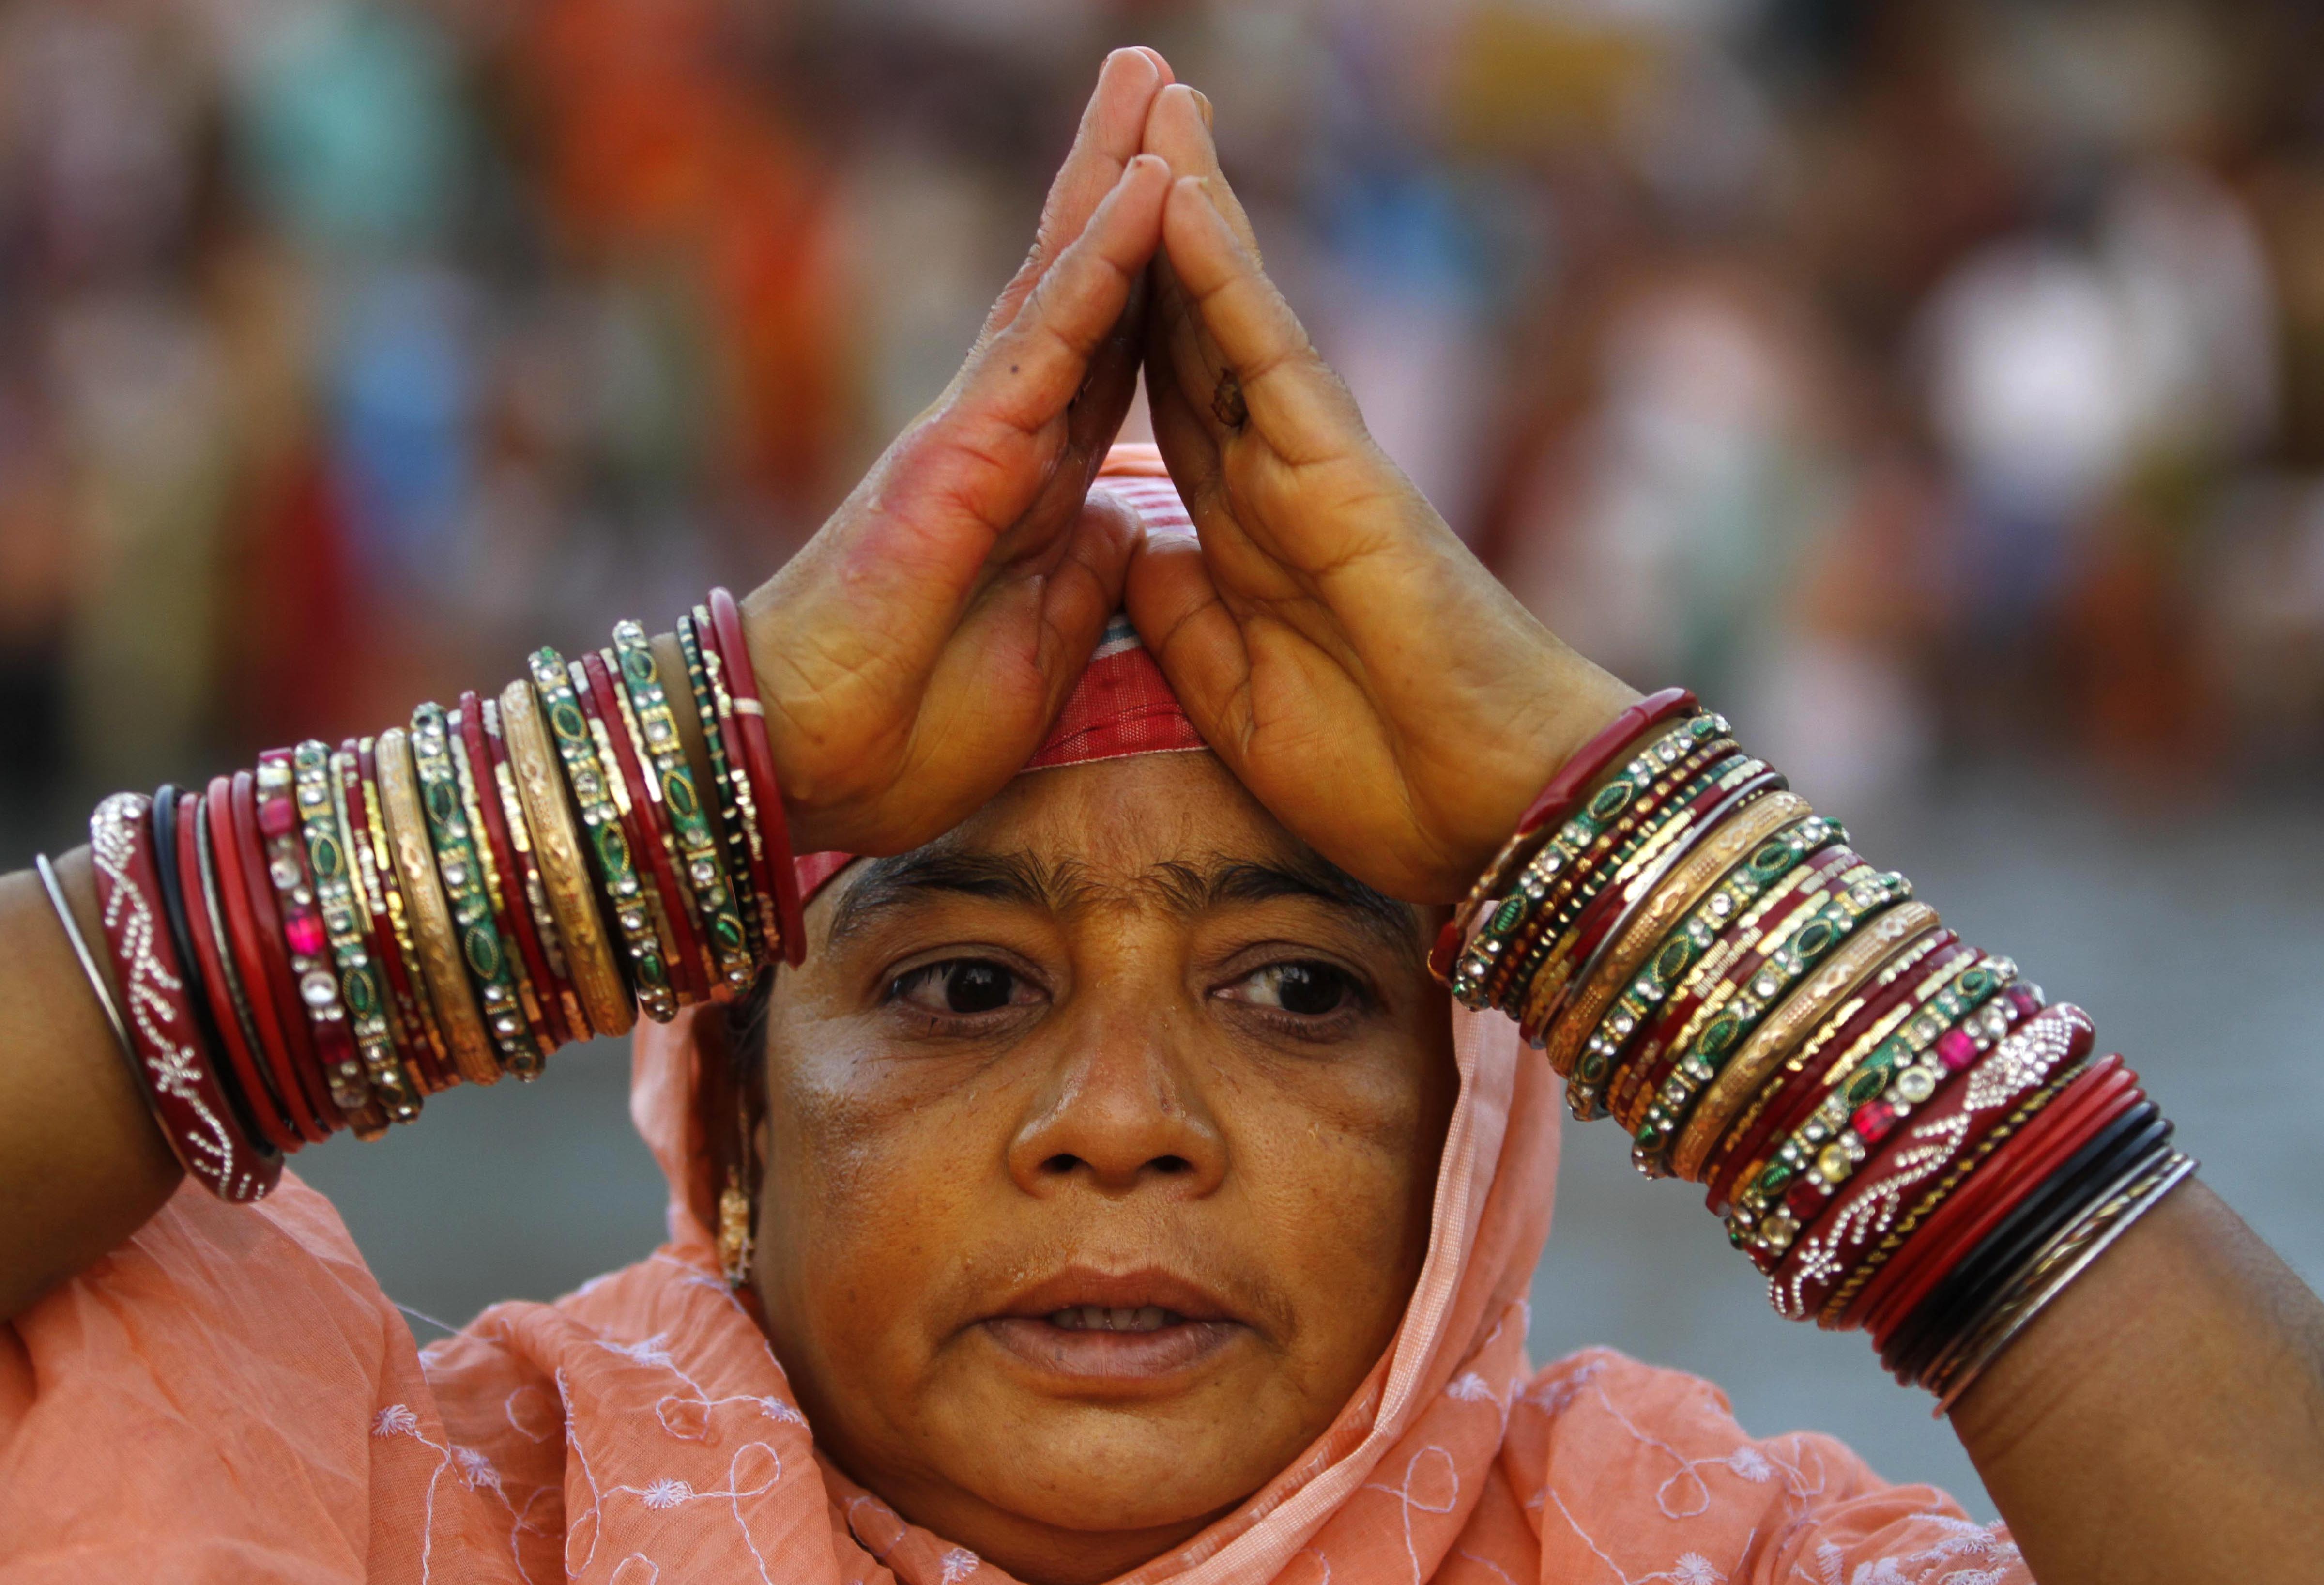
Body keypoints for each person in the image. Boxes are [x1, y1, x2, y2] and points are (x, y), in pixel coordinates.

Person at [1, 48, 2320, 1585]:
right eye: (959, 984)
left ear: (1465, 1138)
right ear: (728, 1128)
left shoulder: (1688, 1554)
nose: (1121, 1124)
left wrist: (1615, 846)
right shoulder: (414, 1513)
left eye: (1305, 989)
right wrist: (687, 773)